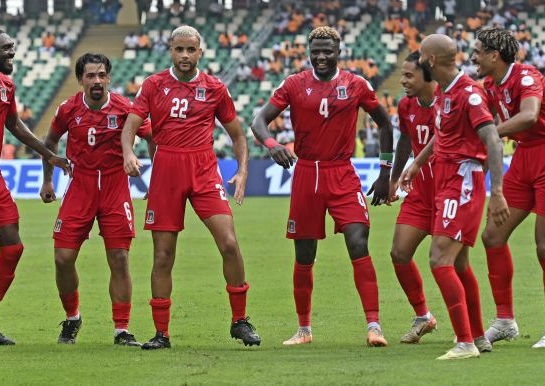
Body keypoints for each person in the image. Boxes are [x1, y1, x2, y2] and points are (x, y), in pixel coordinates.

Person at [250, 26, 393, 347]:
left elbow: (385, 123)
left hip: (342, 172)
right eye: (316, 51)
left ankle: (374, 326)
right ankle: (303, 330)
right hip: (307, 174)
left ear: (339, 52)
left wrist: (385, 173)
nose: (322, 56)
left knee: (358, 242)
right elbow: (259, 121)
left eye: (328, 51)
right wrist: (272, 144)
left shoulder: (356, 85)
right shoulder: (295, 84)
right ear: (308, 52)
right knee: (304, 254)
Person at [121, 25, 261, 350]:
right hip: (167, 170)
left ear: (200, 52)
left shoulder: (214, 88)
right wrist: (128, 152)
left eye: (190, 50)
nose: (184, 55)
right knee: (163, 255)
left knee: (229, 243)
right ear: (170, 50)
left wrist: (242, 171)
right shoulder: (154, 85)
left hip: (203, 169)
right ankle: (161, 334)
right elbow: (130, 126)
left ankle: (239, 321)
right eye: (179, 49)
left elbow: (238, 135)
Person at [0, 28, 70, 347]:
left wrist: (46, 153)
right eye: (6, 48)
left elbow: (14, 123)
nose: (13, 52)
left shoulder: (6, 85)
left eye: (13, 46)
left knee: (13, 247)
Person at [399, 34, 509, 360]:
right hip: (444, 179)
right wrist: (418, 163)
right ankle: (477, 336)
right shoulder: (445, 93)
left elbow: (494, 141)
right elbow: (442, 133)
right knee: (459, 264)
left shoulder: (469, 94)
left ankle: (464, 343)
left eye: (420, 57)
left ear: (431, 61)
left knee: (439, 259)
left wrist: (498, 192)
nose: (417, 61)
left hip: (461, 181)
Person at [471, 27, 545, 349]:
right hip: (523, 158)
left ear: (494, 55)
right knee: (492, 236)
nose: (473, 57)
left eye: (478, 51)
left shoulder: (527, 77)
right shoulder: (489, 85)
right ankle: (505, 321)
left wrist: (491, 134)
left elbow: (530, 116)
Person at [41, 53, 154, 346]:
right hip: (80, 186)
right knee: (63, 258)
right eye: (90, 76)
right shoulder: (68, 109)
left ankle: (122, 330)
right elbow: (49, 142)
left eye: (102, 75)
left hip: (115, 186)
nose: (97, 81)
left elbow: (151, 136)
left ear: (109, 77)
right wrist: (48, 179)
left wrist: (155, 178)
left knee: (119, 258)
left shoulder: (124, 108)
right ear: (80, 80)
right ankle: (73, 317)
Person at [387, 52, 438, 344]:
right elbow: (405, 140)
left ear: (427, 75)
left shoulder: (448, 101)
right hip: (419, 192)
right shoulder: (406, 105)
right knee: (399, 253)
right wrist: (394, 179)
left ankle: (470, 325)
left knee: (450, 264)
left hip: (447, 192)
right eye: (402, 75)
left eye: (409, 75)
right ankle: (423, 316)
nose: (403, 81)